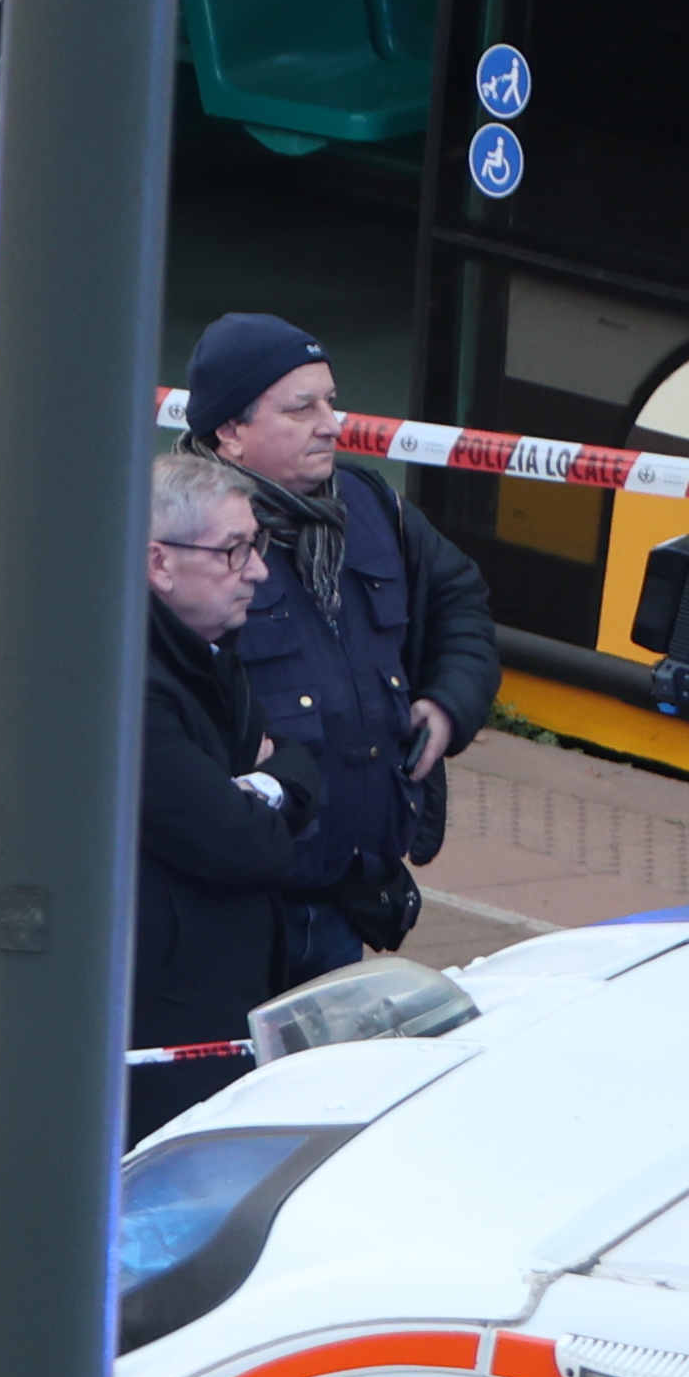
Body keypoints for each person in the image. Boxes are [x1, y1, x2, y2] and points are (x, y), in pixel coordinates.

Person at [190, 312, 495, 977]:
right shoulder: (180, 538)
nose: (332, 423)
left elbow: (459, 599)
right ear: (231, 432)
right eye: (301, 409)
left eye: (330, 401)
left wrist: (447, 706)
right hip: (229, 911)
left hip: (341, 905)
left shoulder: (370, 507)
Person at [131, 451, 330, 1142]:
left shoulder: (209, 651)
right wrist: (279, 786)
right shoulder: (130, 688)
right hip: (166, 1036)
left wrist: (271, 783)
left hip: (219, 1002)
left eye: (257, 545)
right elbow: (241, 841)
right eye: (234, 551)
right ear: (160, 563)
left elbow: (289, 769)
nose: (258, 571)